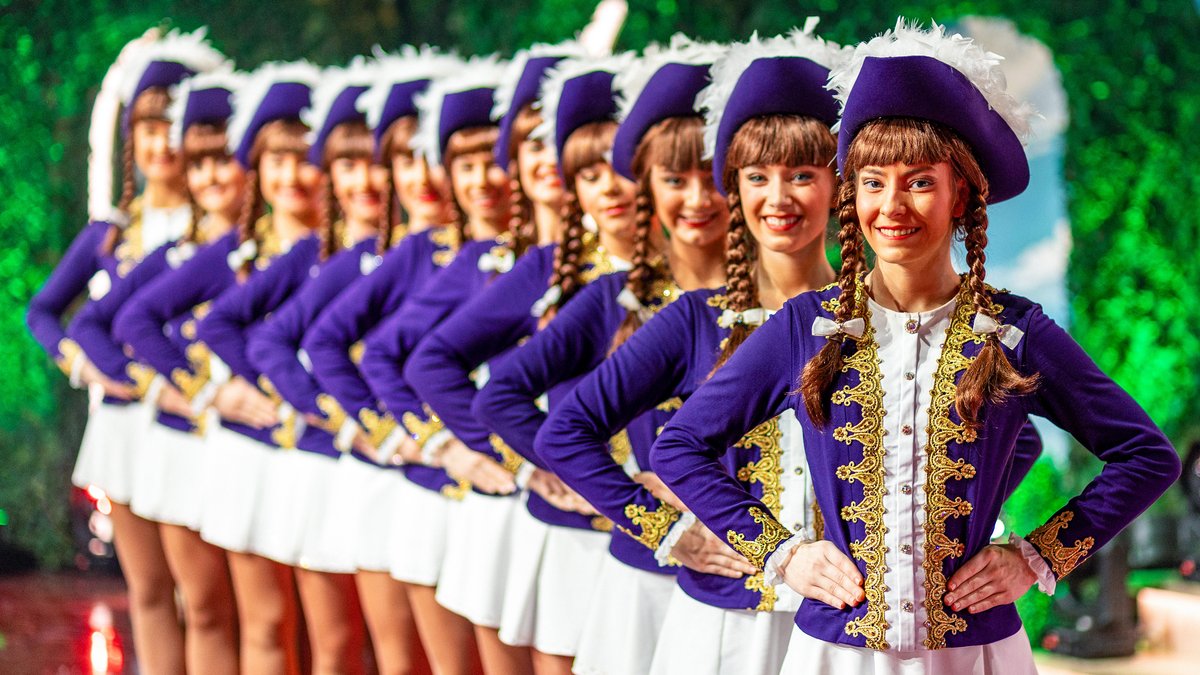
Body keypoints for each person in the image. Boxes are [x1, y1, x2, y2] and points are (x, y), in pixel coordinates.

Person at [649, 20, 1181, 674]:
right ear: (852, 196)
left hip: (976, 653)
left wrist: (1037, 555)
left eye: (919, 180)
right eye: (872, 181)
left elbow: (1145, 455)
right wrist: (783, 552)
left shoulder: (1016, 332)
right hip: (835, 655)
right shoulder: (802, 327)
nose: (891, 205)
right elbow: (679, 445)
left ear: (962, 192)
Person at [474, 35, 730, 675]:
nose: (698, 199)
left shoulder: (799, 306)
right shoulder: (614, 297)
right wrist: (608, 489)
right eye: (676, 178)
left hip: (768, 584)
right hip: (648, 572)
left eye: (714, 175)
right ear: (648, 184)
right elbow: (502, 396)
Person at [406, 50, 639, 675]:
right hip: (570, 528)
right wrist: (527, 458)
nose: (608, 184)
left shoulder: (686, 283)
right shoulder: (544, 268)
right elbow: (432, 363)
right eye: (589, 169)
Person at [26, 28, 224, 675]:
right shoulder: (110, 234)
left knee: (206, 600)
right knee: (145, 591)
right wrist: (89, 367)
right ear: (129, 141)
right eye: (145, 125)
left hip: (197, 428)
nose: (159, 141)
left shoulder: (218, 232)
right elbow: (42, 312)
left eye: (172, 124)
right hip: (124, 431)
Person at [302, 47, 484, 675]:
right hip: (415, 479)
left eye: (431, 157)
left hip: (488, 488)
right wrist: (394, 429)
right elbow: (328, 346)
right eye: (405, 160)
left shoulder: (484, 256)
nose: (422, 176)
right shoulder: (410, 256)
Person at [357, 57, 528, 675]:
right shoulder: (460, 259)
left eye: (494, 160)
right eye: (464, 164)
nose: (483, 179)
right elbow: (380, 356)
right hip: (458, 491)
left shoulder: (533, 256)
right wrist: (439, 443)